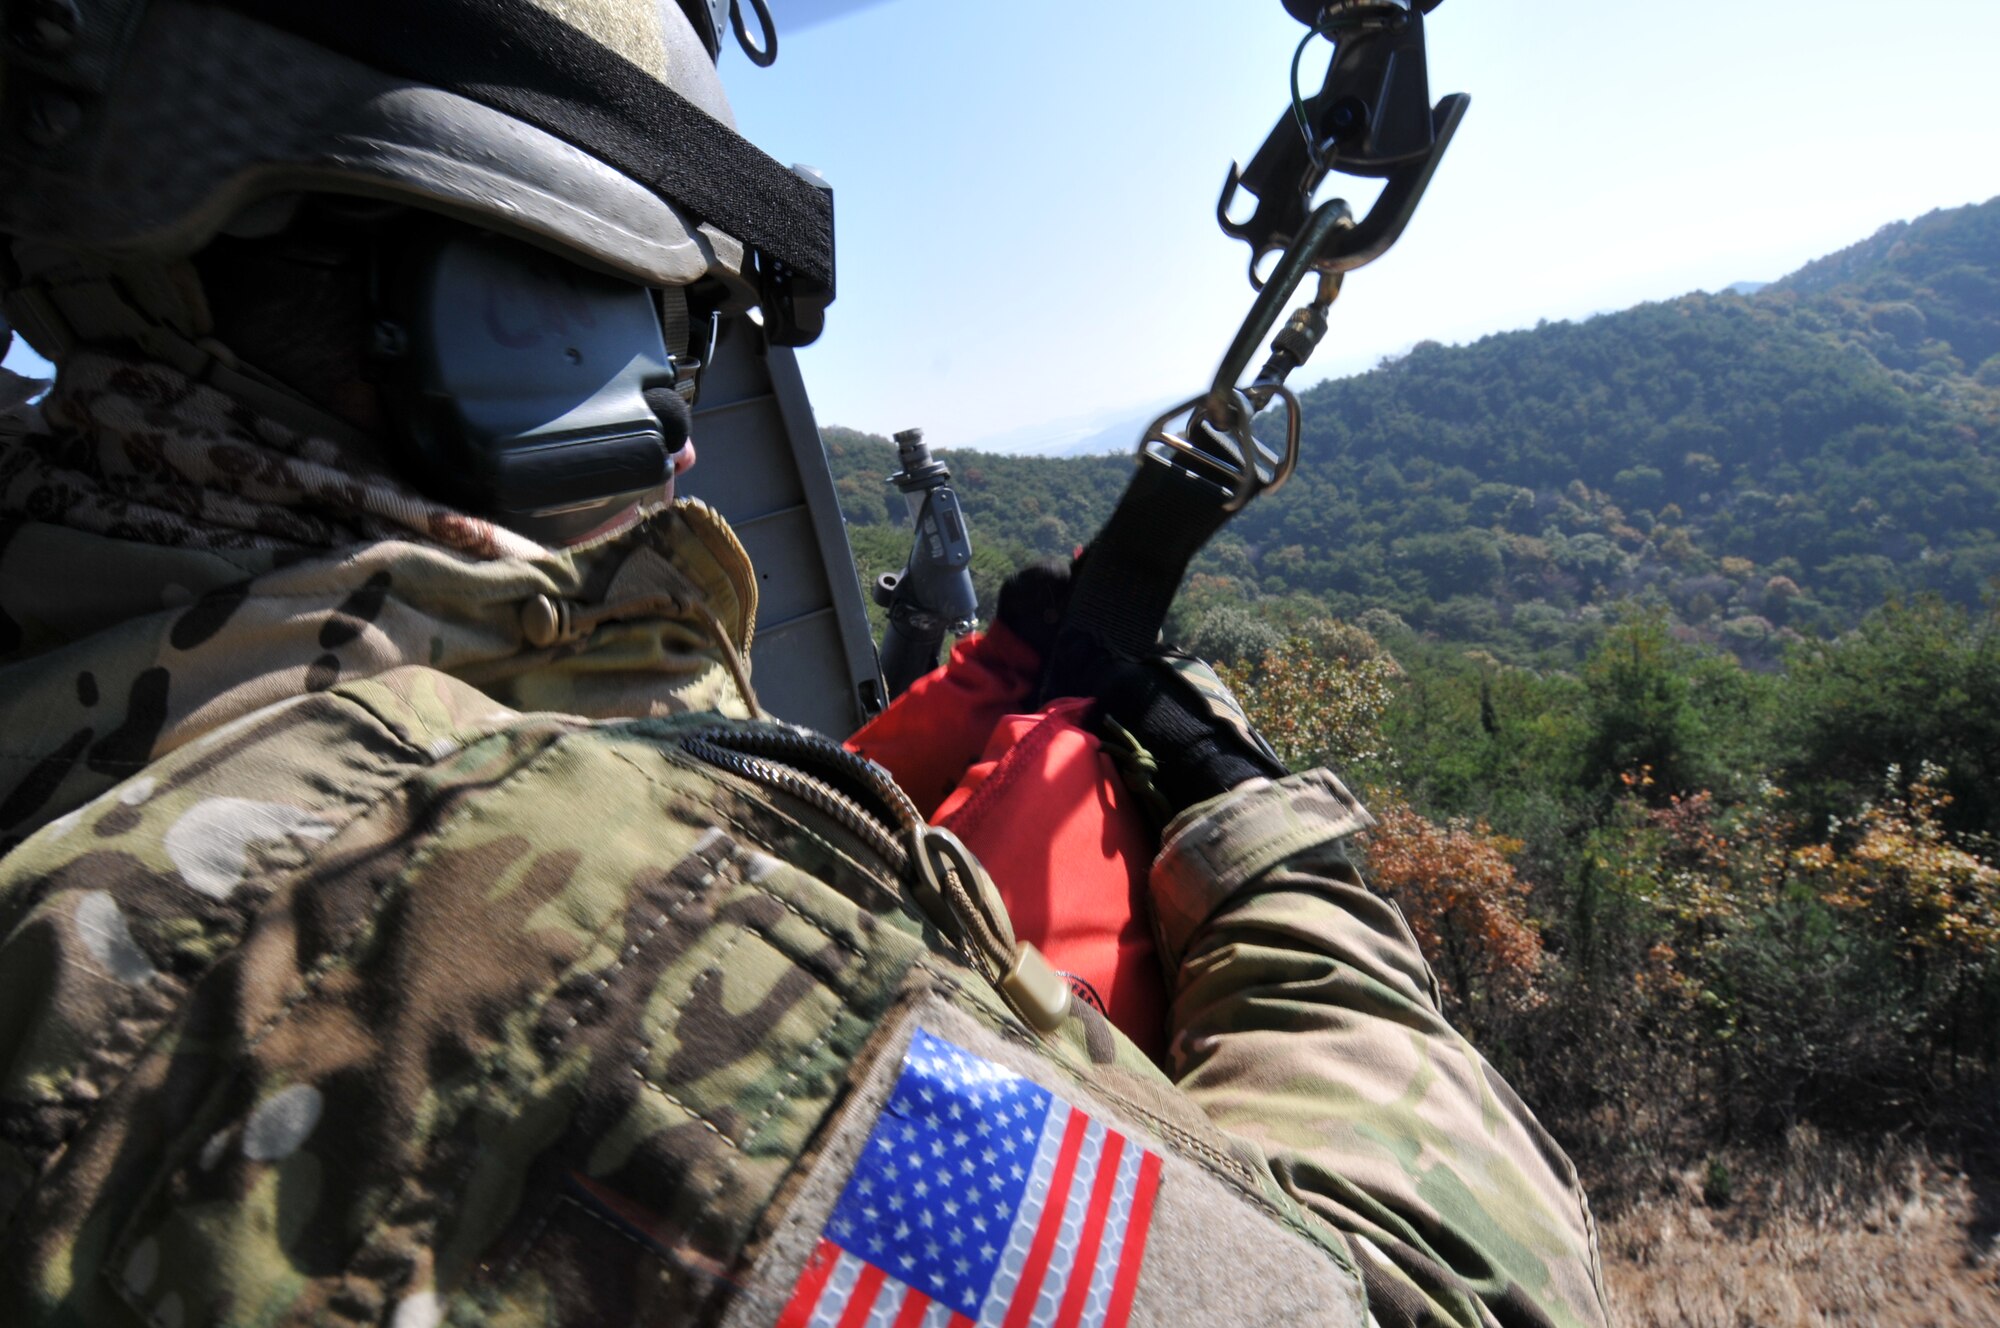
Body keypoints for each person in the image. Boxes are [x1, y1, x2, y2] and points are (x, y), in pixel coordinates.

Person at [0, 2, 1610, 1325]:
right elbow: (1446, 1302)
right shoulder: (539, 923)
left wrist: (980, 722)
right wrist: (1271, 854)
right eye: (654, 327)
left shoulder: (98, 715)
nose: (678, 420)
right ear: (498, 299)